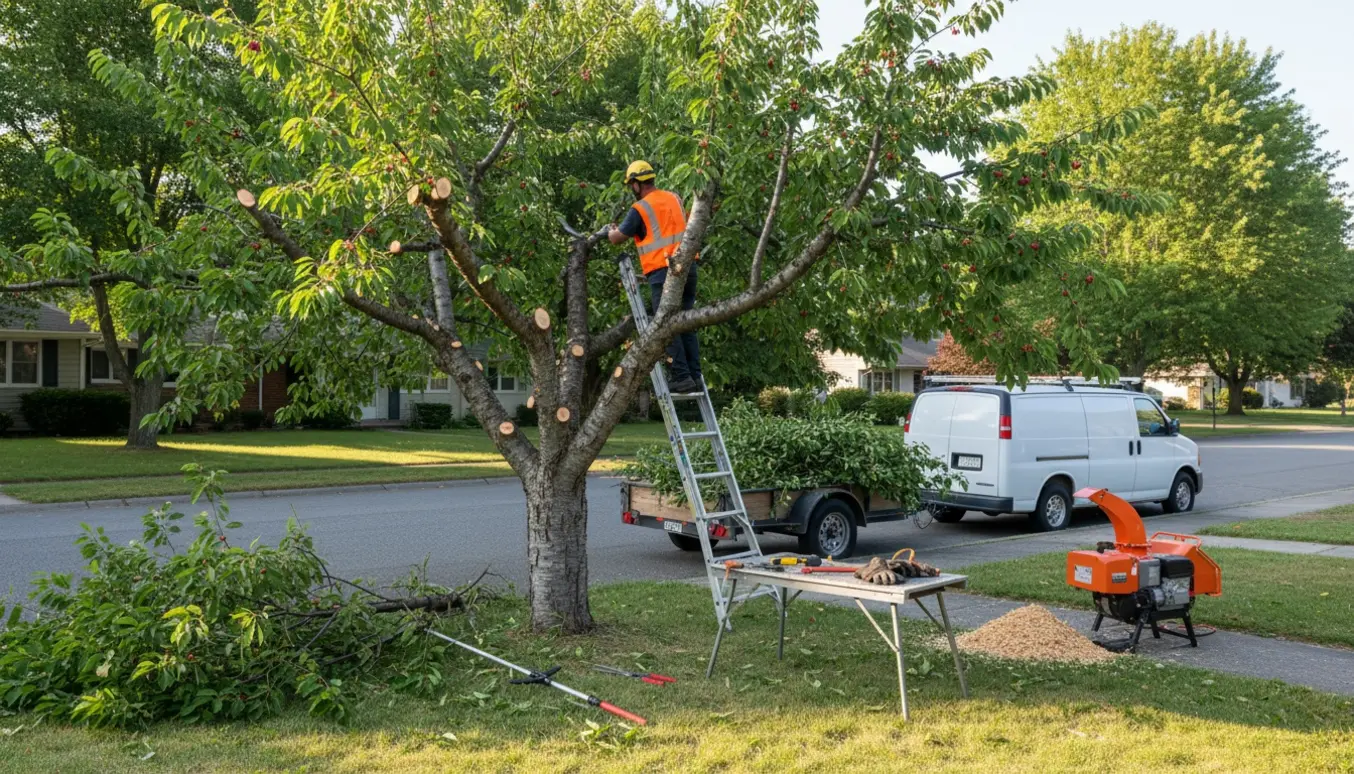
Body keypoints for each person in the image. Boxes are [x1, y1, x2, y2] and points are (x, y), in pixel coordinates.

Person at [606, 160, 703, 394]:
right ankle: (695, 375)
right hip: (689, 268)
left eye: (631, 185)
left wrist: (609, 231)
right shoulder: (674, 198)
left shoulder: (640, 208)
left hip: (664, 271)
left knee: (665, 325)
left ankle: (681, 376)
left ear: (637, 184)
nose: (632, 189)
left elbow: (618, 238)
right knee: (686, 323)